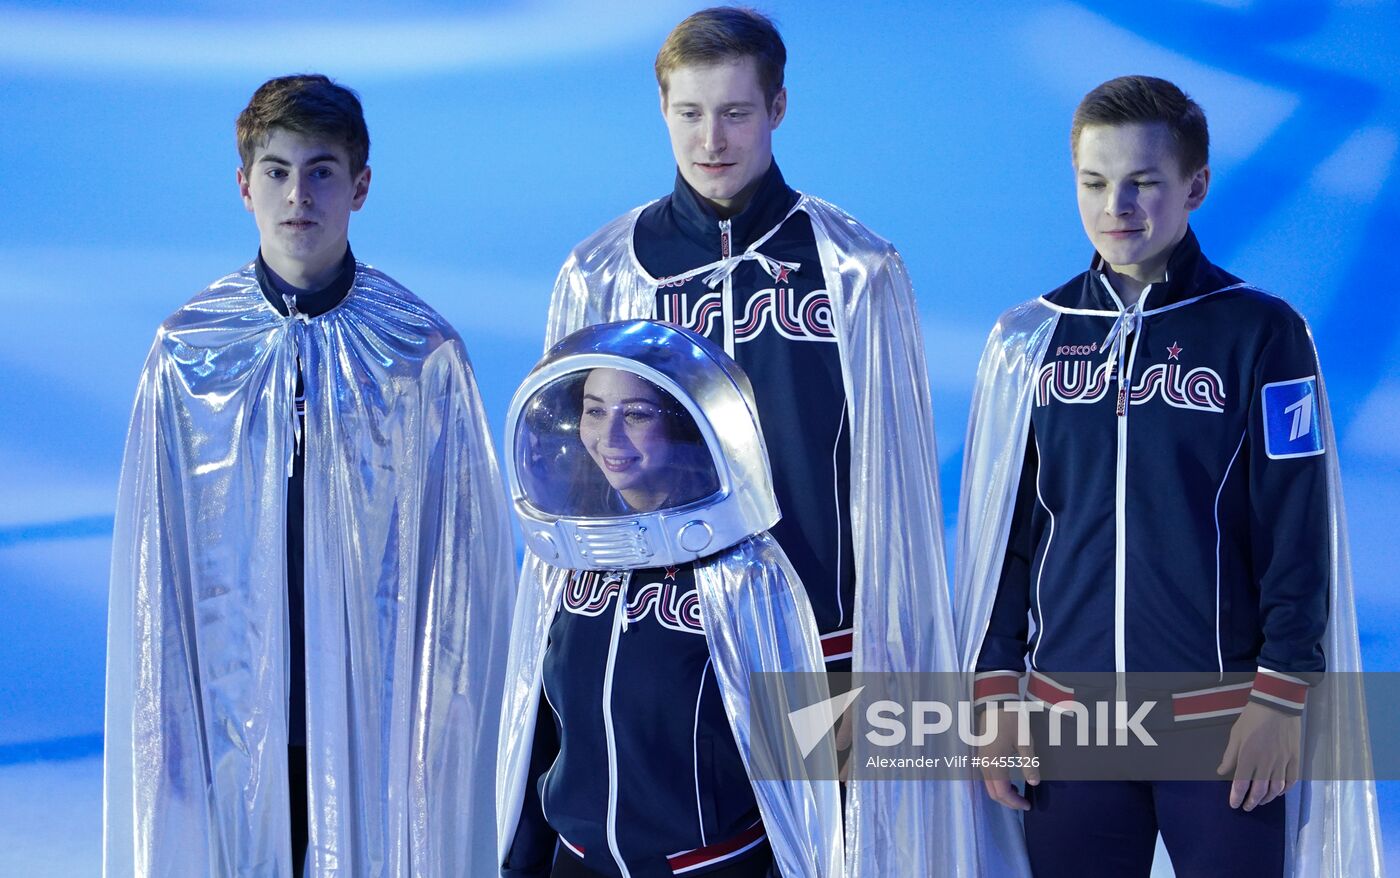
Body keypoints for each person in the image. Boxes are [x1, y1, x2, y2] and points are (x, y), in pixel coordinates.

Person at [543, 10, 969, 873]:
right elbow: (576, 477)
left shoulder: (856, 270)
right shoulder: (604, 271)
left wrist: (870, 667)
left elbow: (892, 484)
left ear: (778, 107)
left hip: (816, 656)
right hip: (653, 647)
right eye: (691, 112)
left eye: (736, 112)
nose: (712, 138)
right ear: (662, 109)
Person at [955, 75, 1381, 877]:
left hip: (1220, 724)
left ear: (1195, 187)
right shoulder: (1030, 340)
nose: (1117, 204)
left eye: (1143, 182)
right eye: (1094, 182)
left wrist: (1282, 693)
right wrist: (995, 689)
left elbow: (1298, 527)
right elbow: (1003, 537)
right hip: (1067, 725)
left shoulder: (1264, 332)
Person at [103, 74, 515, 877]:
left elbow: (463, 574)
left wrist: (443, 738)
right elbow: (159, 570)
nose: (300, 194)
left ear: (360, 186)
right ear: (243, 186)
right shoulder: (190, 355)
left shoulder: (420, 355)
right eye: (278, 170)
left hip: (374, 731)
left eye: (322, 170)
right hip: (232, 724)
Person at [497, 320, 843, 878]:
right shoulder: (561, 561)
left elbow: (793, 772)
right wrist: (521, 864)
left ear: (686, 425)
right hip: (575, 866)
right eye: (593, 409)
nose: (609, 438)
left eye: (636, 414)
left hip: (709, 868)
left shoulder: (744, 574)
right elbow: (536, 732)